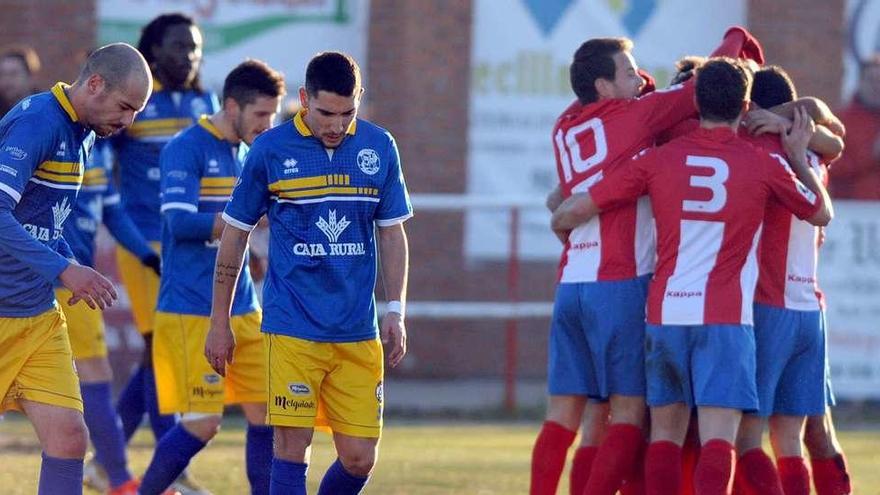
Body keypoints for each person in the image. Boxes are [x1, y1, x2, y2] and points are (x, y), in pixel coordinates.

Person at [551, 58, 832, 494]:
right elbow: (821, 212)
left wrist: (561, 223)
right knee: (721, 438)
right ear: (744, 106)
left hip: (665, 313)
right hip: (725, 318)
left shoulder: (658, 159)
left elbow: (578, 205)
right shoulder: (762, 163)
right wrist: (797, 156)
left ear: (694, 100)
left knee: (664, 433)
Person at [533, 27, 765, 495]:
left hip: (572, 282)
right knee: (630, 414)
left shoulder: (565, 126)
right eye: (627, 72)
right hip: (619, 282)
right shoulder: (636, 120)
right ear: (603, 86)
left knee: (568, 414)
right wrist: (735, 41)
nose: (638, 77)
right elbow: (706, 86)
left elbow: (560, 197)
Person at [207, 51, 411, 495]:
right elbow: (235, 235)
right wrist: (219, 321)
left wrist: (394, 309)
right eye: (325, 113)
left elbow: (392, 233)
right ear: (303, 99)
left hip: (358, 330)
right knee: (290, 446)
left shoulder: (379, 146)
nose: (337, 125)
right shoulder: (270, 150)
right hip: (291, 326)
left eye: (348, 113)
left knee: (359, 458)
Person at [0, 42, 150, 495]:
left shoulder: (83, 134)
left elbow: (44, 221)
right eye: (125, 107)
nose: (128, 122)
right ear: (95, 84)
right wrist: (66, 271)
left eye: (136, 112)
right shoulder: (37, 122)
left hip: (37, 319)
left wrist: (71, 264)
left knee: (68, 438)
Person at [136, 59, 285, 495]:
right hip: (190, 309)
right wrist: (240, 222)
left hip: (244, 307)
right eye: (260, 115)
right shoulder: (186, 148)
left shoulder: (246, 153)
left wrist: (252, 252)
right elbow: (179, 225)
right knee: (204, 424)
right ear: (232, 105)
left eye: (273, 116)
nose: (267, 125)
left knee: (269, 418)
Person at [104, 12, 218, 495]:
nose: (188, 56)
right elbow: (104, 173)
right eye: (178, 47)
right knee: (163, 349)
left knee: (159, 353)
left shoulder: (205, 103)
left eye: (194, 47)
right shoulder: (134, 106)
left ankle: (108, 457)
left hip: (189, 244)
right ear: (153, 51)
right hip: (144, 241)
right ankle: (170, 464)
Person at [732, 65, 844, 495]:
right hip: (808, 311)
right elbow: (834, 138)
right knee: (792, 439)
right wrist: (794, 121)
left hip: (767, 308)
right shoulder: (815, 155)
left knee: (746, 437)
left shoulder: (758, 151)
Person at [57, 137, 161, 495]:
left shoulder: (98, 149)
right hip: (58, 279)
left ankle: (115, 476)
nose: (127, 121)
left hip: (75, 280)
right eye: (124, 106)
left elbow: (112, 212)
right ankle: (117, 479)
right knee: (94, 372)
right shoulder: (54, 138)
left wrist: (147, 256)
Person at [828, 53, 880, 199]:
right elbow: (829, 167)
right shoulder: (839, 121)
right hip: (851, 213)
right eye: (871, 80)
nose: (877, 87)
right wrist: (871, 155)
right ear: (860, 82)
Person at [0, 44, 40, 118]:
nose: (7, 80)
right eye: (2, 74)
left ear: (31, 77)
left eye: (13, 74)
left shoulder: (45, 108)